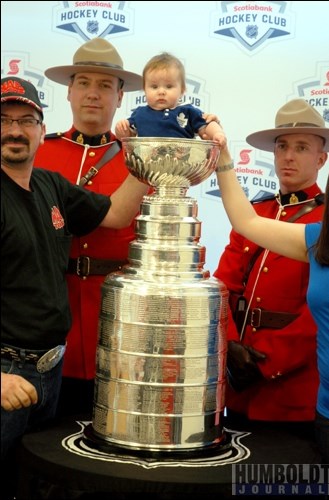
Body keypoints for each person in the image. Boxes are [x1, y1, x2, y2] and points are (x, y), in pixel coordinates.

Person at [34, 40, 219, 417]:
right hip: (52, 311)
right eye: (83, 82)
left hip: (122, 315)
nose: (92, 94)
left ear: (121, 97)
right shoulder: (40, 153)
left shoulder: (148, 152)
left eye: (105, 86)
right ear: (68, 92)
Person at [0, 76, 149, 498]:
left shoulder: (48, 184)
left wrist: (148, 155)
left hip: (48, 373)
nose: (14, 130)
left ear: (39, 130)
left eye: (25, 120)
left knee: (29, 482)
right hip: (7, 376)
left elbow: (117, 214)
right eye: (4, 120)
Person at [215, 147, 329, 486]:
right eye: (282, 146)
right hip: (240, 384)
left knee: (289, 484)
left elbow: (322, 313)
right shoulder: (258, 210)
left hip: (291, 391)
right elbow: (223, 286)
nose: (289, 156)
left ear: (321, 159)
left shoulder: (326, 220)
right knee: (237, 482)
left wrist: (265, 363)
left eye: (302, 147)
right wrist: (232, 345)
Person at [115, 51, 226, 146]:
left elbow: (207, 126)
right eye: (154, 87)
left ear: (182, 90)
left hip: (182, 168)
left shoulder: (188, 111)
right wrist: (122, 130)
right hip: (148, 168)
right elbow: (128, 136)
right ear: (144, 89)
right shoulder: (139, 113)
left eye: (169, 86)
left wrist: (217, 134)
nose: (161, 92)